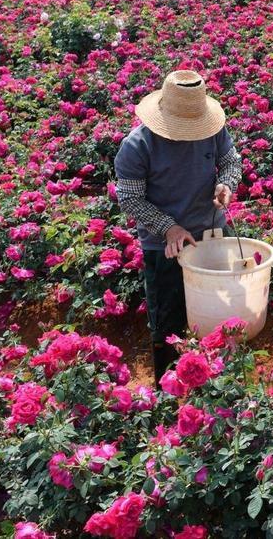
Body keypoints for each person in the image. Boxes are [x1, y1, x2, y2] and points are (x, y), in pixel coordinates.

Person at [114, 70, 241, 382]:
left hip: (211, 236)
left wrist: (226, 184)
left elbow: (230, 161)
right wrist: (168, 227)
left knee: (218, 317)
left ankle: (217, 389)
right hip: (165, 247)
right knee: (169, 326)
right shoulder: (137, 146)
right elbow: (130, 197)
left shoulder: (214, 131)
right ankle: (169, 395)